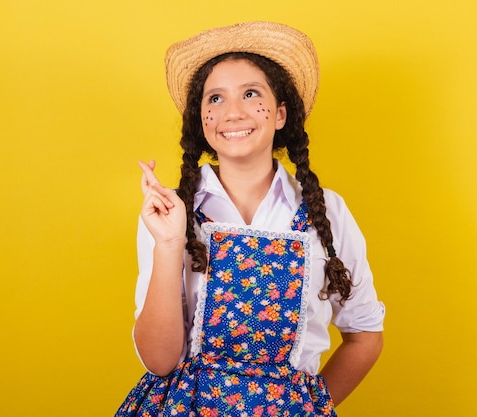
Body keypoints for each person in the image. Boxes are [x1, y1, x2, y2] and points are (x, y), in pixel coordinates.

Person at [116, 21, 385, 417]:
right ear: (201, 120)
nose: (233, 112)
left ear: (279, 114)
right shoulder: (170, 213)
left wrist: (309, 407)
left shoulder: (326, 212)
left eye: (250, 94)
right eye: (215, 99)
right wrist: (170, 242)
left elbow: (364, 335)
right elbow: (159, 361)